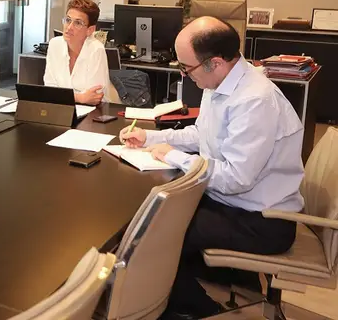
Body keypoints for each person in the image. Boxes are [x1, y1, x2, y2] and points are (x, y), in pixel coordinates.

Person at [120, 17, 304, 320]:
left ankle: (197, 309)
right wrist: (152, 137)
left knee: (152, 233)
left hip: (261, 220)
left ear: (214, 62)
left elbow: (235, 179)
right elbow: (202, 135)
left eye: (185, 67)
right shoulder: (220, 80)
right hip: (233, 205)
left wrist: (174, 157)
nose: (183, 73)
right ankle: (187, 293)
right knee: (151, 212)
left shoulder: (255, 100)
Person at [43, 0, 116, 105]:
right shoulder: (55, 45)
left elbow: (94, 97)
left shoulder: (96, 49)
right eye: (68, 20)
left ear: (90, 30)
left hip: (95, 112)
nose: (69, 27)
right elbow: (49, 90)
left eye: (78, 23)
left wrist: (64, 96)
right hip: (62, 108)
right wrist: (80, 97)